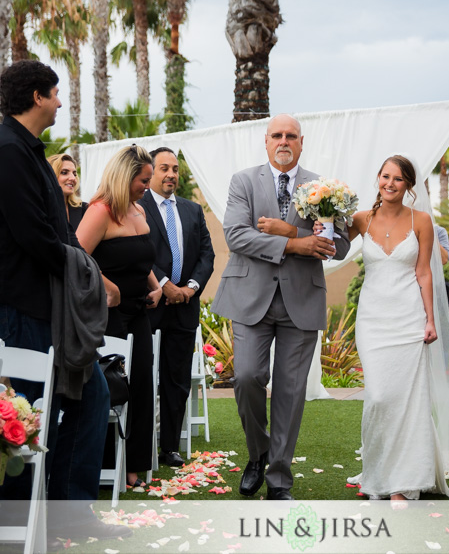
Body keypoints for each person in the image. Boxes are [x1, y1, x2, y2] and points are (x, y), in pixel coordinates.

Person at [0, 60, 128, 541]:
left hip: (45, 302)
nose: (61, 102)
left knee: (89, 396)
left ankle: (69, 513)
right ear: (38, 96)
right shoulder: (5, 152)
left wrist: (84, 270)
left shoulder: (25, 151)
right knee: (30, 411)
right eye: (56, 94)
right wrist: (90, 272)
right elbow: (34, 236)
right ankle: (21, 519)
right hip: (18, 303)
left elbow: (54, 232)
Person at [211, 114, 350, 500]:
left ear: (301, 142)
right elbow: (237, 235)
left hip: (301, 299)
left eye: (291, 135)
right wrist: (296, 245)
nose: (283, 141)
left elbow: (341, 244)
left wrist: (297, 234)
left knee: (290, 391)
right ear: (266, 141)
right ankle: (258, 454)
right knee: (248, 377)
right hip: (250, 297)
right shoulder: (243, 181)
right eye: (277, 135)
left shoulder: (324, 188)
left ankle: (279, 480)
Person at [335, 155, 449, 501]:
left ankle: (403, 481)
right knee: (377, 397)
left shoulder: (422, 222)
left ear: (409, 185)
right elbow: (332, 245)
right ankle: (377, 472)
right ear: (378, 178)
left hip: (409, 318)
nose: (390, 183)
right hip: (373, 320)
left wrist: (431, 319)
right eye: (385, 176)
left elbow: (424, 272)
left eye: (398, 179)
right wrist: (324, 213)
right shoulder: (361, 219)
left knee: (408, 399)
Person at [76, 144, 163, 488]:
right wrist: (107, 285)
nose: (147, 186)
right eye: (143, 180)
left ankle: (134, 465)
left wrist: (154, 284)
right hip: (106, 315)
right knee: (112, 388)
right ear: (125, 176)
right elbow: (77, 258)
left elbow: (141, 258)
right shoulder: (100, 211)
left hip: (139, 312)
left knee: (142, 384)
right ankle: (106, 467)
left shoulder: (138, 212)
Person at [137, 147, 215, 468]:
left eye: (175, 169)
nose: (171, 174)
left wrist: (189, 288)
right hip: (150, 305)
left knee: (177, 379)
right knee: (143, 377)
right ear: (151, 172)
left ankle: (169, 447)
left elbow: (207, 255)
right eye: (164, 168)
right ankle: (141, 447)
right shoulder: (137, 207)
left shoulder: (193, 210)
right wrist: (164, 283)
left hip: (184, 307)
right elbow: (140, 252)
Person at [49, 152, 88, 232]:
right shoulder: (38, 209)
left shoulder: (85, 209)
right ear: (50, 175)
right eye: (64, 172)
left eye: (74, 174)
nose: (73, 178)